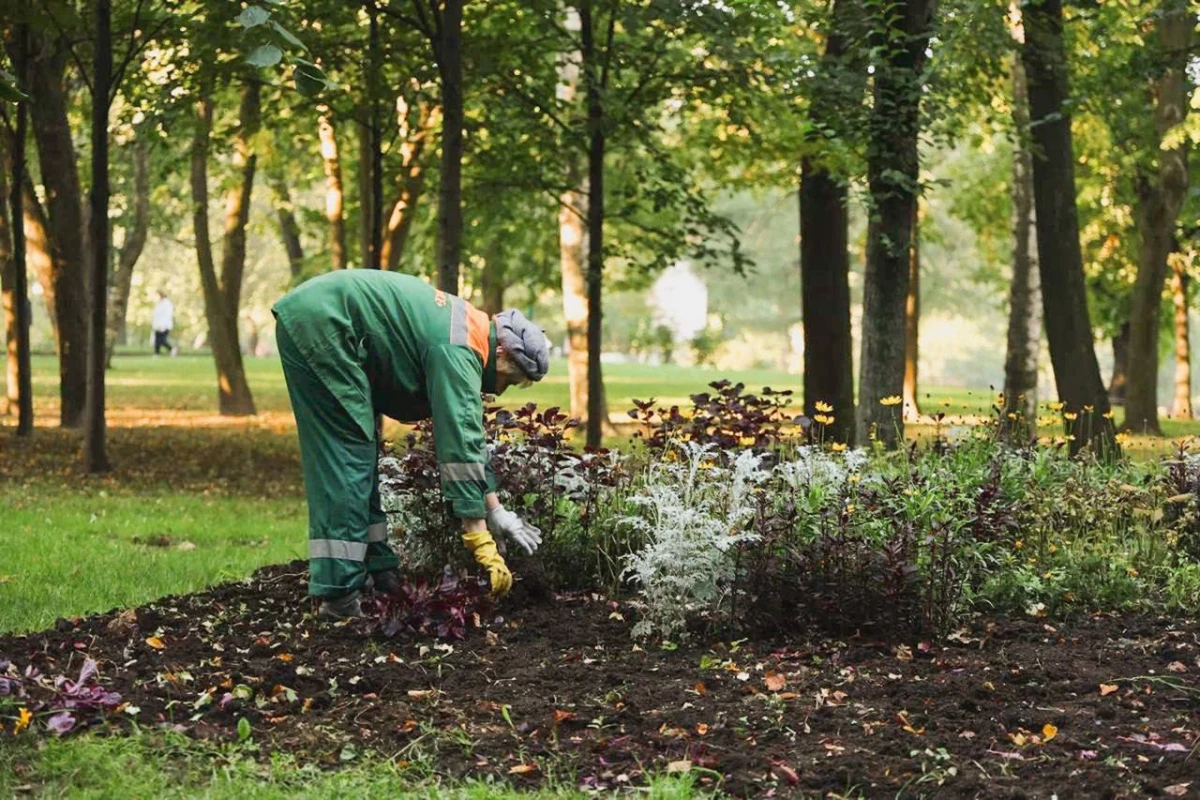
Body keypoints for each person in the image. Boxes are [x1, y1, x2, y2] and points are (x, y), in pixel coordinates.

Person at [272, 270, 549, 620]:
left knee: (359, 453)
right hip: (324, 325)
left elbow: (468, 437)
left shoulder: (470, 333)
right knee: (346, 457)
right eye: (508, 378)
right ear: (501, 350)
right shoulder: (459, 350)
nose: (501, 389)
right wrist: (480, 541)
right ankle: (339, 597)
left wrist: (496, 510)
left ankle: (378, 571)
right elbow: (458, 447)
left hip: (329, 322)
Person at [152, 291, 178, 356]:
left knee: (162, 340)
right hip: (157, 325)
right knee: (157, 340)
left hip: (165, 325)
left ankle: (171, 349)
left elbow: (167, 315)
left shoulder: (167, 304)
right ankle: (156, 353)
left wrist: (162, 325)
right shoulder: (159, 303)